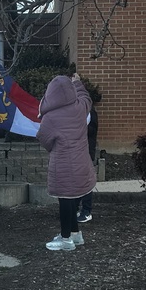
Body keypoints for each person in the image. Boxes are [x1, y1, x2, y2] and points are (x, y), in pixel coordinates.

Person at [36, 72, 97, 251]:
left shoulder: (50, 117)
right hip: (81, 164)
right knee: (72, 199)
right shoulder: (80, 107)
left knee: (65, 201)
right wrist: (78, 83)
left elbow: (43, 138)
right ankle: (76, 235)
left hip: (62, 165)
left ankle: (65, 239)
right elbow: (86, 97)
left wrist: (54, 149)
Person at [77, 103, 98, 224]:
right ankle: (74, 208)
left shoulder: (90, 113)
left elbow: (92, 130)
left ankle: (86, 211)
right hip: (75, 152)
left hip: (86, 153)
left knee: (85, 182)